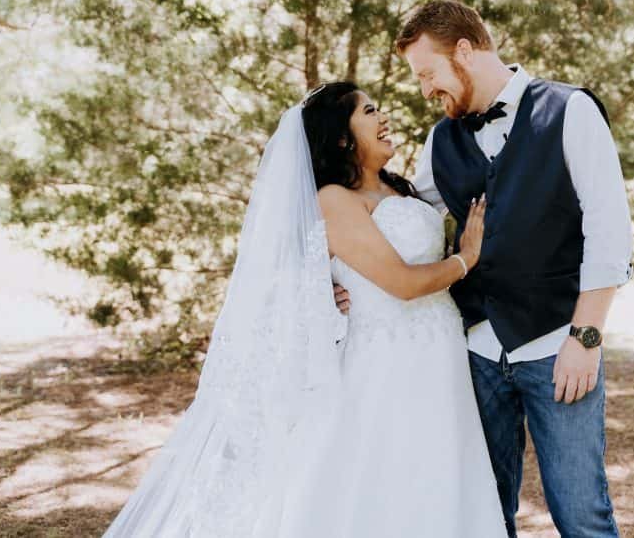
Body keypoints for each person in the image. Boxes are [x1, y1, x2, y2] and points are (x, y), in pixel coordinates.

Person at [103, 82, 507, 537]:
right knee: (383, 486)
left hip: (438, 358)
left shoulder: (399, 189)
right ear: (341, 139)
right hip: (384, 364)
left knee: (439, 479)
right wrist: (465, 259)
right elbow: (402, 283)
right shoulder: (335, 198)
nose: (384, 117)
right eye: (370, 111)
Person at [397, 0, 633, 538]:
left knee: (581, 514)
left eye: (428, 73)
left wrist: (586, 337)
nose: (426, 89)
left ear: (464, 50)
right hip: (476, 354)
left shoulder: (570, 111)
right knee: (483, 516)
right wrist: (352, 282)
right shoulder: (441, 140)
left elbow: (610, 234)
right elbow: (409, 222)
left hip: (558, 347)